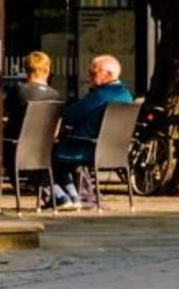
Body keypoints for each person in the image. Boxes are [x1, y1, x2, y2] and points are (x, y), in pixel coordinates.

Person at [52, 55, 133, 210]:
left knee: (44, 153)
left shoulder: (100, 95)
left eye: (93, 73)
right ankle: (77, 195)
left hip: (85, 148)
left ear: (108, 74)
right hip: (114, 150)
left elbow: (71, 114)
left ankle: (62, 196)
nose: (89, 76)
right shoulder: (126, 95)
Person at [4, 51, 65, 206]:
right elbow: (57, 126)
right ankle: (57, 195)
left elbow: (6, 110)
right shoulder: (56, 95)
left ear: (26, 68)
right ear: (47, 69)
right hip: (45, 147)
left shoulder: (19, 90)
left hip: (16, 145)